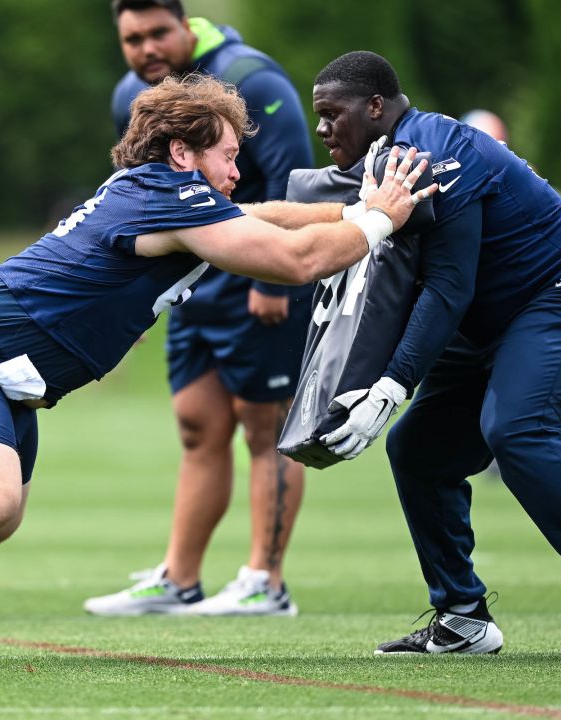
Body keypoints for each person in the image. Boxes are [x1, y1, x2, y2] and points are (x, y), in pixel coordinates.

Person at [0, 74, 435, 666]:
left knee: (1, 511)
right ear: (182, 153)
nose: (238, 171)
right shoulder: (170, 196)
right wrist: (381, 219)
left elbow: (264, 215)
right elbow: (294, 263)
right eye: (228, 156)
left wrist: (356, 210)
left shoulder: (162, 192)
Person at [309, 51, 561, 657]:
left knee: (517, 428)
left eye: (332, 114)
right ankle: (462, 616)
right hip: (492, 317)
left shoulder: (431, 149)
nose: (322, 128)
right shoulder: (380, 160)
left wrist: (393, 386)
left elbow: (448, 285)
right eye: (318, 117)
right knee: (419, 450)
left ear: (375, 107)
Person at [86, 0, 316, 617]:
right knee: (196, 424)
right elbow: (136, 198)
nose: (146, 48)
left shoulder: (254, 79)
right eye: (132, 38)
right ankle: (179, 579)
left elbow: (295, 178)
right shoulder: (132, 95)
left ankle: (266, 582)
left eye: (159, 32)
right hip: (189, 283)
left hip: (255, 279)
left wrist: (276, 281)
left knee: (264, 428)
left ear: (187, 26)